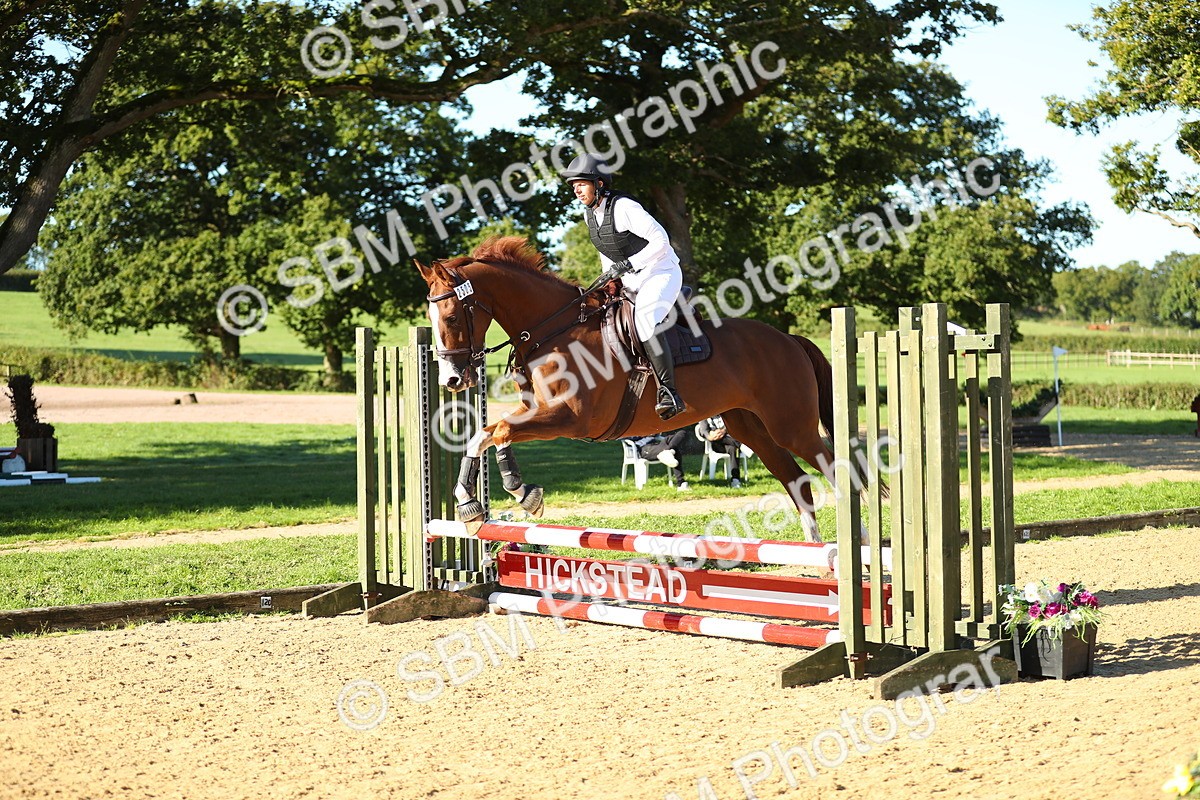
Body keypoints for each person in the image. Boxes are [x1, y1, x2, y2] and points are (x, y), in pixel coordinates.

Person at [561, 153, 685, 420]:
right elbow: (606, 249)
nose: (576, 191)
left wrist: (628, 264)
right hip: (631, 279)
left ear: (599, 184)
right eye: (573, 186)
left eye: (581, 184)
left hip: (661, 271)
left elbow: (661, 241)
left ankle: (669, 392)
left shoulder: (624, 207)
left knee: (644, 319)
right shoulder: (590, 215)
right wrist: (610, 279)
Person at [625, 428, 689, 491]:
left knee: (682, 433)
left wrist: (654, 432)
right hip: (644, 449)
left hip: (656, 444)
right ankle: (681, 483)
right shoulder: (630, 425)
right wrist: (642, 434)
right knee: (676, 450)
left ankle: (670, 451)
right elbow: (624, 436)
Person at [698, 414, 743, 488]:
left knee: (733, 449)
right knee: (727, 442)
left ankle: (735, 479)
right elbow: (703, 430)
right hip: (716, 444)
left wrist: (724, 431)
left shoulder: (725, 413)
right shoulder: (705, 414)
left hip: (728, 442)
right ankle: (741, 445)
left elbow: (733, 425)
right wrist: (710, 436)